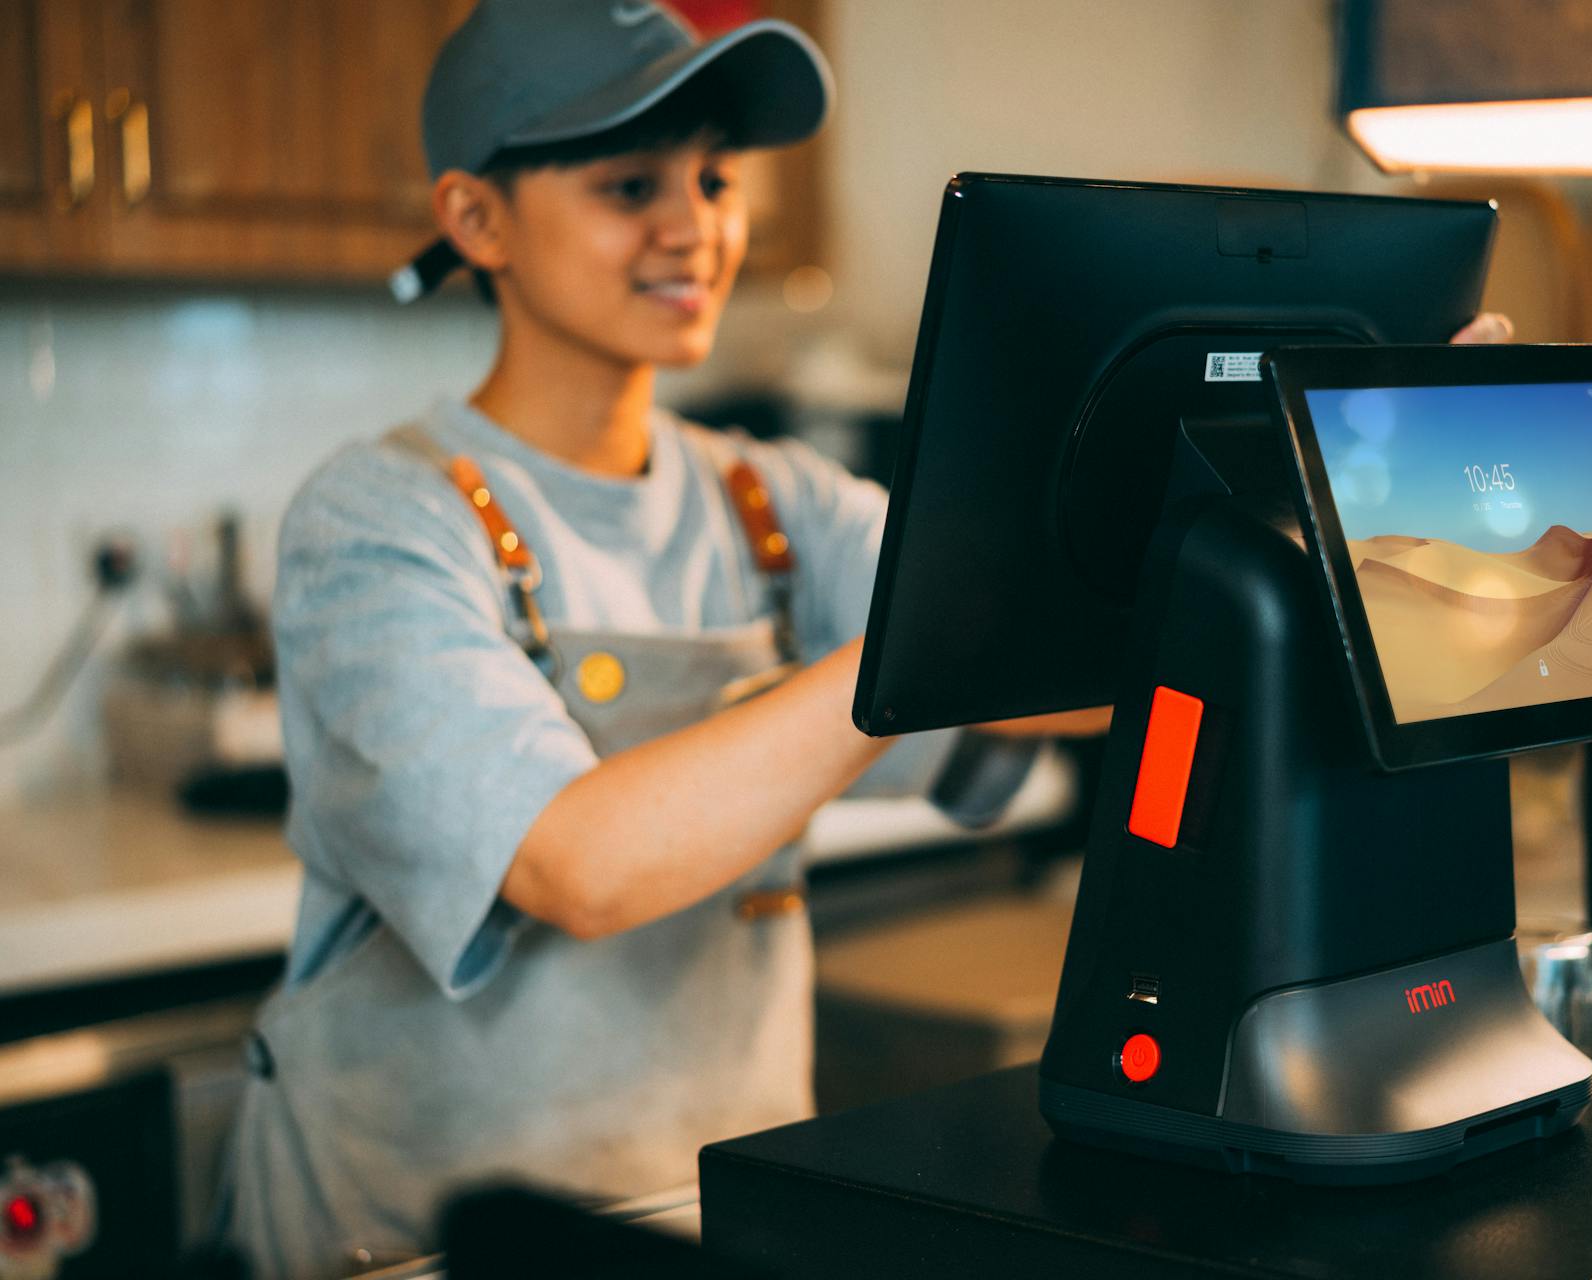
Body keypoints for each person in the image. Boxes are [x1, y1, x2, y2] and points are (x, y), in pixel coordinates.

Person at [217, 5, 1091, 1276]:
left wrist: (1318, 499)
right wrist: (907, 651)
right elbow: (580, 865)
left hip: (707, 1226)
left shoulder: (777, 503)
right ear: (475, 221)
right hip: (415, 1246)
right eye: (632, 184)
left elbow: (1067, 659)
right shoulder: (377, 520)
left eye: (716, 179)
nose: (696, 227)